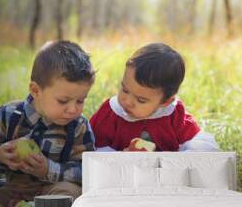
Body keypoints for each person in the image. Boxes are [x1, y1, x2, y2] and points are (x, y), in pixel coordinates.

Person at [0, 40, 95, 207]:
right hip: (12, 191)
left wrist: (48, 169)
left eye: (80, 101)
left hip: (51, 192)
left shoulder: (79, 126)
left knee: (73, 196)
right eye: (63, 101)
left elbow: (86, 171)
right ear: (36, 90)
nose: (73, 109)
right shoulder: (10, 114)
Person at [90, 43, 219, 152]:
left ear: (166, 102)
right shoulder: (111, 114)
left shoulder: (173, 115)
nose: (127, 101)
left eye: (140, 100)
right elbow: (93, 149)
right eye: (125, 90)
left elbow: (197, 143)